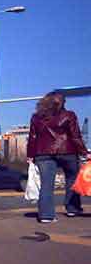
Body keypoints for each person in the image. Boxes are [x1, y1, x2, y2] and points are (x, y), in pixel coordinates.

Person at [27, 91, 90, 223]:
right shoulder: (69, 115)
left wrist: (30, 155)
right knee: (72, 178)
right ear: (62, 103)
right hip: (67, 152)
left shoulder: (36, 117)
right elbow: (75, 136)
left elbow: (33, 138)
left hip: (43, 154)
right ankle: (72, 208)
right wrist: (84, 152)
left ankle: (46, 216)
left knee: (46, 184)